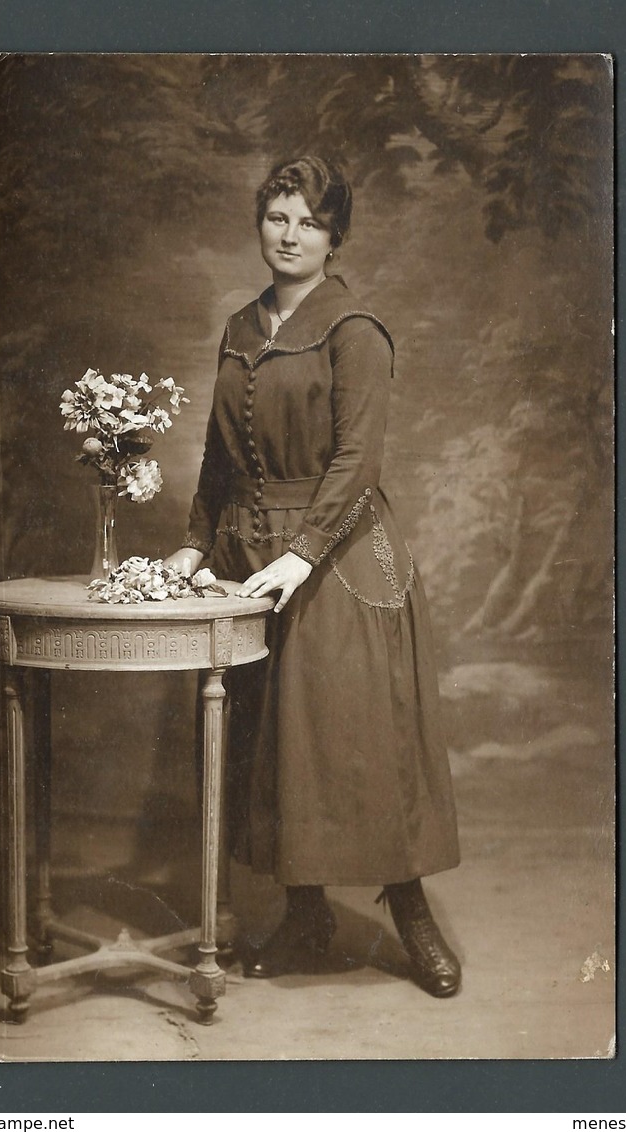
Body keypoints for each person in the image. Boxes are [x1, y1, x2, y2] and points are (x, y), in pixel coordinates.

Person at [164, 155, 461, 997]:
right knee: (272, 746)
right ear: (260, 224)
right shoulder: (237, 327)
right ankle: (306, 917)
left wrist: (302, 554)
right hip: (247, 555)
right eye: (277, 217)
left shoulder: (355, 328)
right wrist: (193, 544)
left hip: (340, 558)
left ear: (335, 237)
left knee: (355, 744)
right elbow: (218, 458)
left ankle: (412, 914)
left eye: (308, 222)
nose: (289, 235)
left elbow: (358, 460)